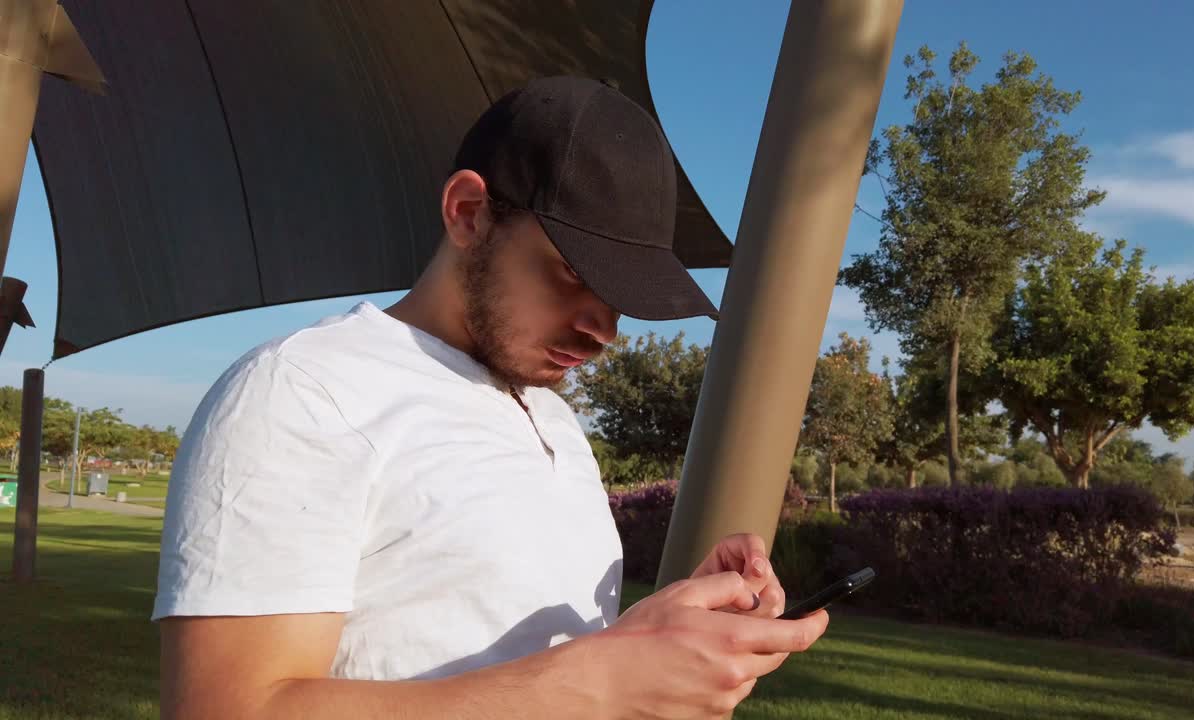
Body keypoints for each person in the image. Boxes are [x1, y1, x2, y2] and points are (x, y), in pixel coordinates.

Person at [154, 75, 829, 720]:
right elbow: (227, 708)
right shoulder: (305, 391)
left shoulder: (555, 419)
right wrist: (599, 684)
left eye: (623, 297)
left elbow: (520, 665)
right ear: (469, 214)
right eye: (572, 273)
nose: (604, 330)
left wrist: (651, 639)